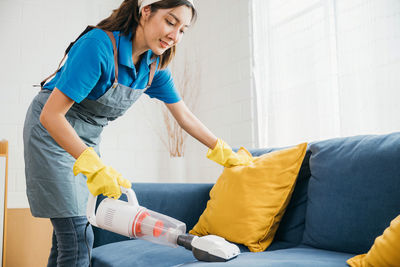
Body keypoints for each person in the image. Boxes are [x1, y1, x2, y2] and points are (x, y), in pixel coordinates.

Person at [23, 0, 252, 266]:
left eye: (183, 30)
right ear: (145, 11)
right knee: (76, 232)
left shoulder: (153, 69)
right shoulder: (99, 46)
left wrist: (225, 153)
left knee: (70, 231)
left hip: (85, 138)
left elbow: (185, 117)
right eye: (170, 21)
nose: (175, 36)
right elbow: (51, 115)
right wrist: (94, 167)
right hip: (51, 132)